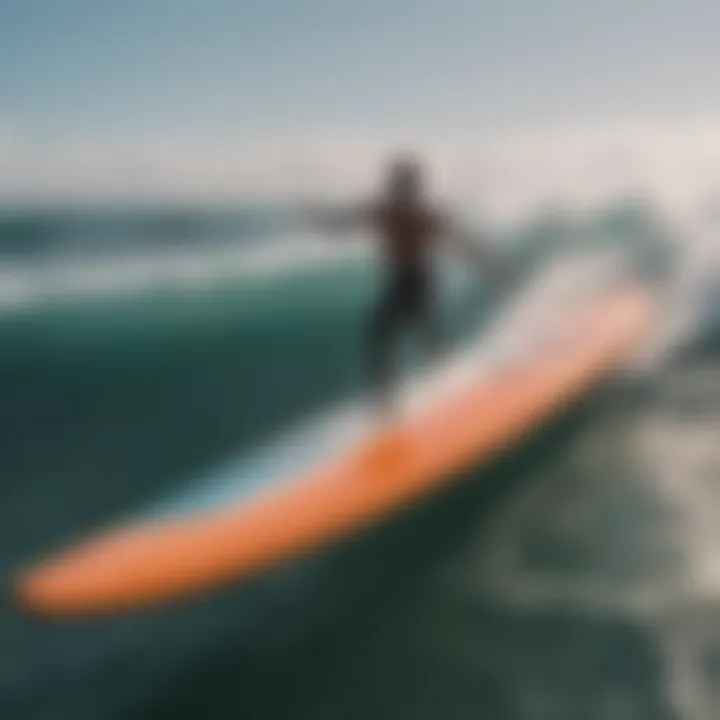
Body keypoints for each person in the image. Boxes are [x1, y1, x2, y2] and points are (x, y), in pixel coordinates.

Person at [307, 156, 508, 416]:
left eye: (403, 186)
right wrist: (321, 221)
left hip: (420, 282)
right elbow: (345, 223)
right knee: (380, 336)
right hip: (399, 282)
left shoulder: (423, 215)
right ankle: (388, 404)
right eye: (397, 185)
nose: (399, 191)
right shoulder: (384, 212)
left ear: (411, 188)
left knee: (426, 338)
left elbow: (463, 244)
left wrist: (495, 270)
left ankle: (452, 389)